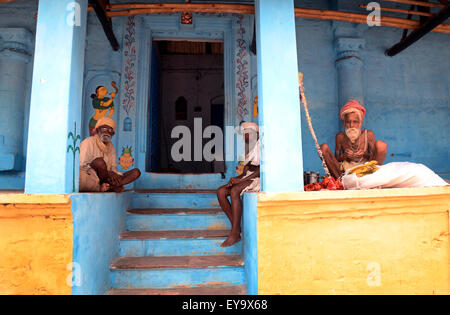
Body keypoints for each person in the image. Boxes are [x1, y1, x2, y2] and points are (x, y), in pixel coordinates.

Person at [216, 122, 260, 247]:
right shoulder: (248, 148)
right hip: (248, 177)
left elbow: (260, 170)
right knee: (221, 191)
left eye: (246, 135)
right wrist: (236, 178)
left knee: (235, 190)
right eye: (244, 135)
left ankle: (235, 233)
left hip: (258, 178)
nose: (244, 138)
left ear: (255, 134)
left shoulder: (261, 146)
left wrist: (239, 181)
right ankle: (236, 228)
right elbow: (246, 171)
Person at [320, 100, 387, 179]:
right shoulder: (340, 136)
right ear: (344, 123)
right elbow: (336, 160)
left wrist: (364, 154)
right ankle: (341, 181)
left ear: (360, 122)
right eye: (348, 122)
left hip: (365, 172)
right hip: (345, 172)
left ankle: (373, 179)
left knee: (381, 145)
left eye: (355, 122)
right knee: (323, 148)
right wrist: (344, 156)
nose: (351, 125)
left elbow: (373, 158)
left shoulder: (368, 134)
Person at [79, 117, 141, 192]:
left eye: (110, 130)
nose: (107, 132)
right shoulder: (88, 142)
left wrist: (114, 175)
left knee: (136, 172)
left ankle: (111, 186)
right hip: (92, 177)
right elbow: (82, 167)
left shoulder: (111, 146)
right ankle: (113, 186)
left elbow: (113, 168)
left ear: (113, 133)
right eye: (104, 128)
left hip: (107, 178)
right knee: (99, 162)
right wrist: (107, 172)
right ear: (98, 130)